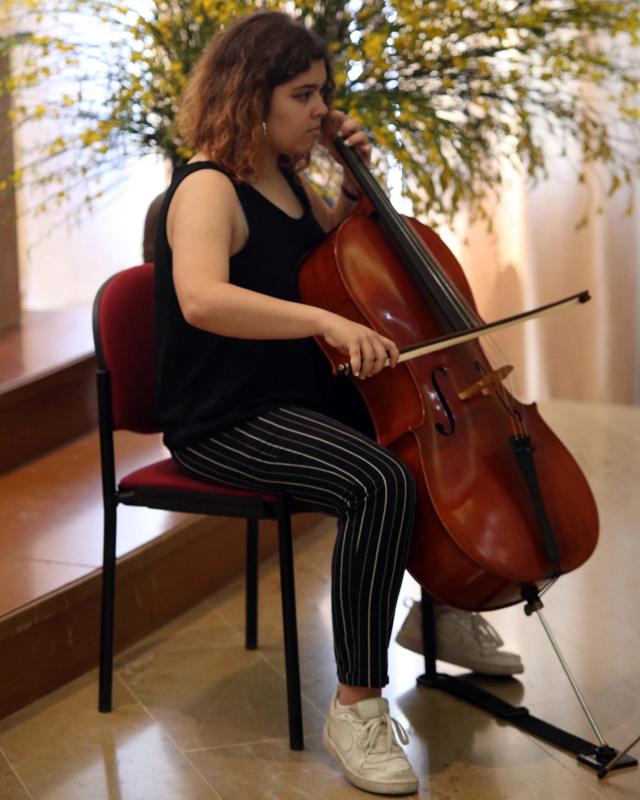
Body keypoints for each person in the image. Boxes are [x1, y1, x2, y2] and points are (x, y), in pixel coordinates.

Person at [154, 10, 520, 795]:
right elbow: (200, 300)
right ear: (253, 96)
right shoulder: (206, 188)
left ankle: (443, 607)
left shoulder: (285, 178)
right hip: (224, 417)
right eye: (304, 95)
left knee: (417, 444)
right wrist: (324, 320)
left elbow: (351, 250)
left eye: (323, 93)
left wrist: (354, 174)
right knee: (375, 481)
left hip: (292, 396)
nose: (321, 109)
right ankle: (355, 706)